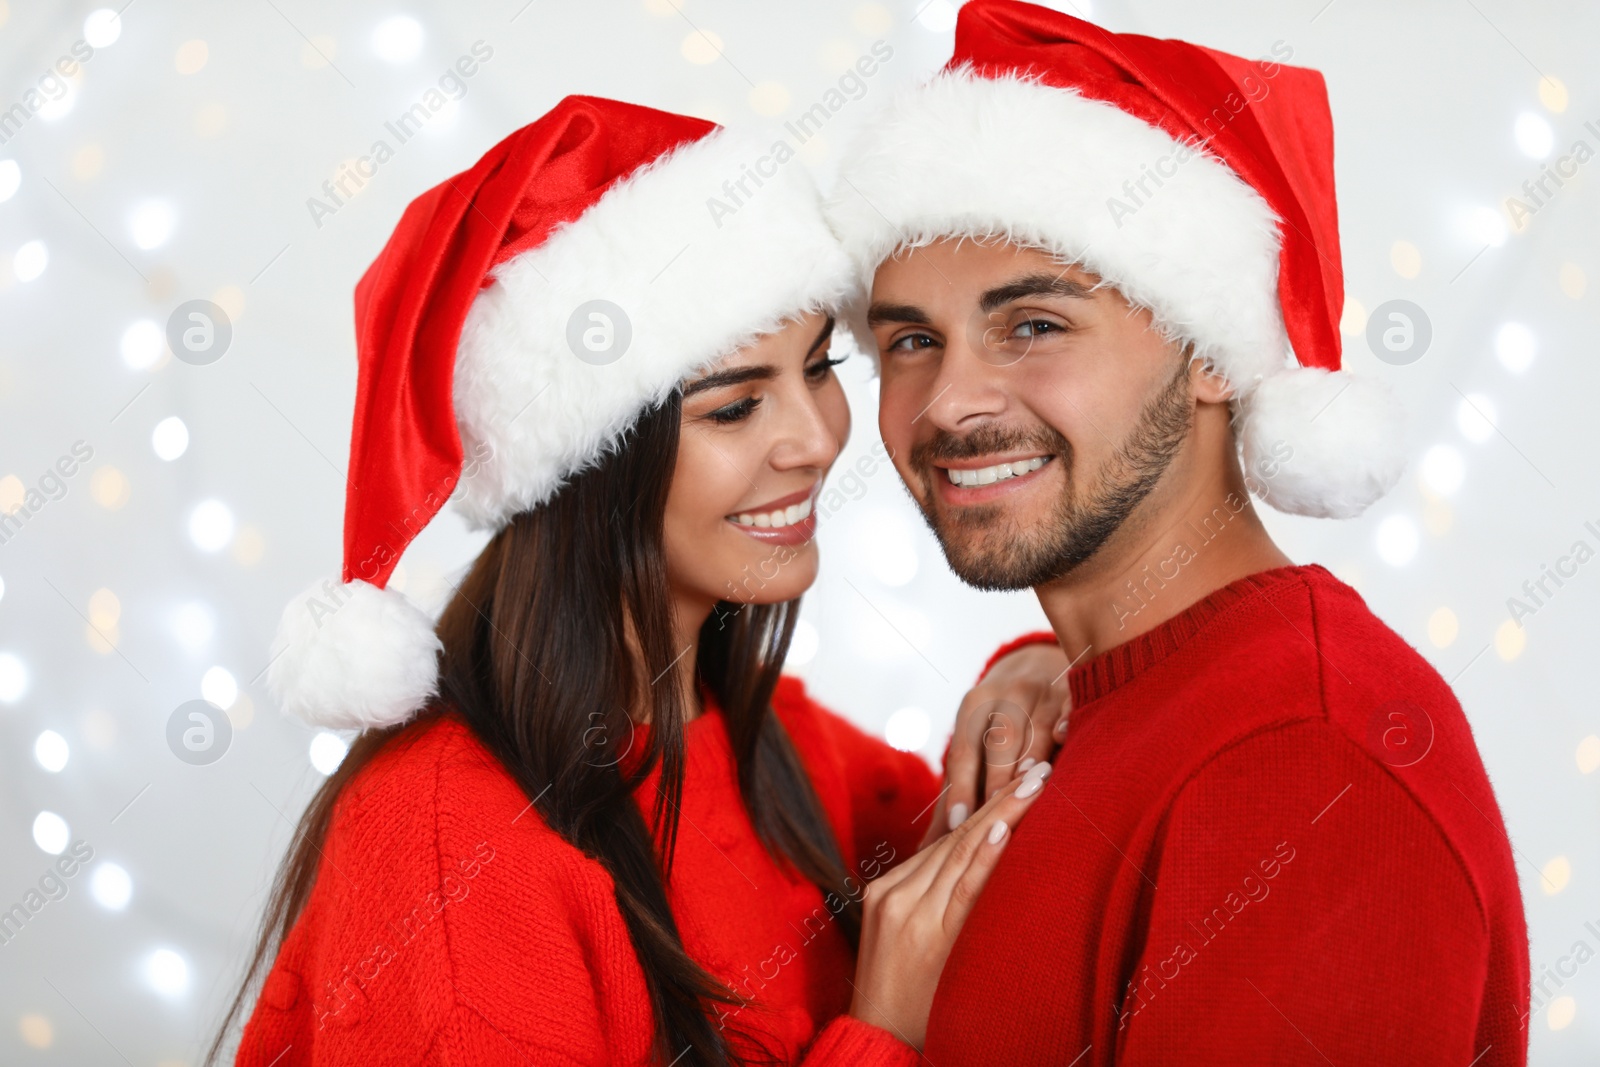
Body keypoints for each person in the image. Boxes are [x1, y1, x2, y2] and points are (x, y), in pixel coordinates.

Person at [215, 95, 1065, 1067]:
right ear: (588, 460)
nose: (818, 437)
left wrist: (1040, 666)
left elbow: (1014, 856)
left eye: (819, 367)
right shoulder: (446, 847)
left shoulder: (760, 734)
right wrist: (878, 1035)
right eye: (736, 405)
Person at [827, 2, 1531, 1063]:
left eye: (1032, 325)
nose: (947, 403)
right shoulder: (1083, 715)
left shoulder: (1306, 764)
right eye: (912, 340)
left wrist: (872, 1046)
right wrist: (1054, 669)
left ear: (1212, 352)